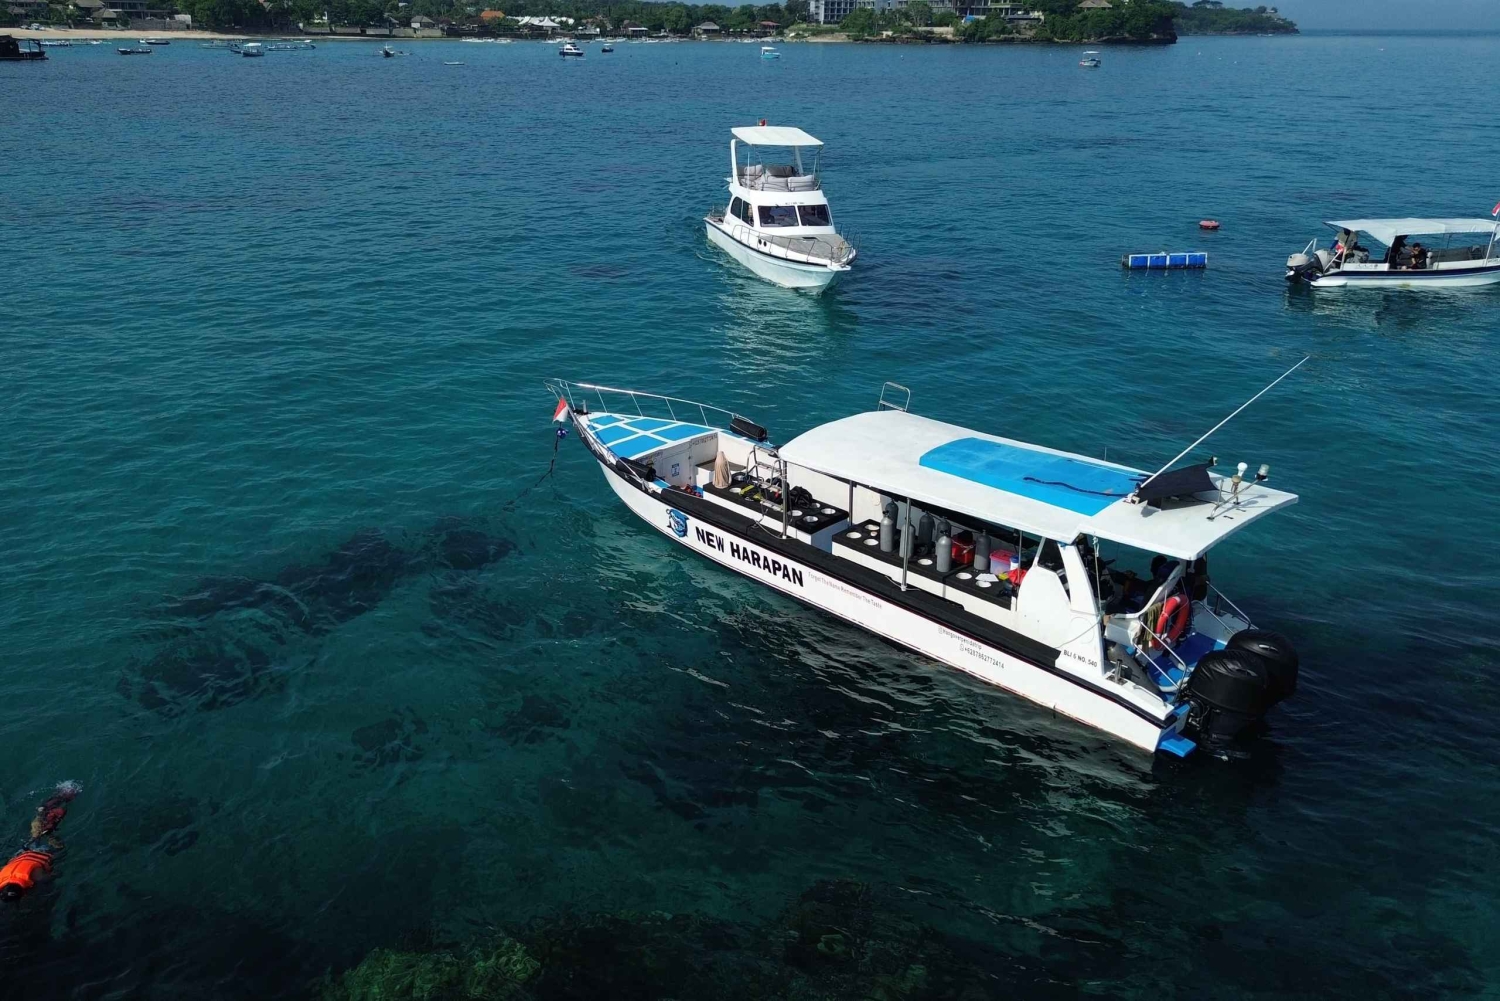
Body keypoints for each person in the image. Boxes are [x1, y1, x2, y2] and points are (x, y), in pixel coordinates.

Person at [0, 782, 79, 904]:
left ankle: (50, 831)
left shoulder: (36, 877)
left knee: (60, 848)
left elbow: (56, 875)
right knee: (36, 831)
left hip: (43, 852)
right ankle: (46, 810)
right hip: (23, 852)